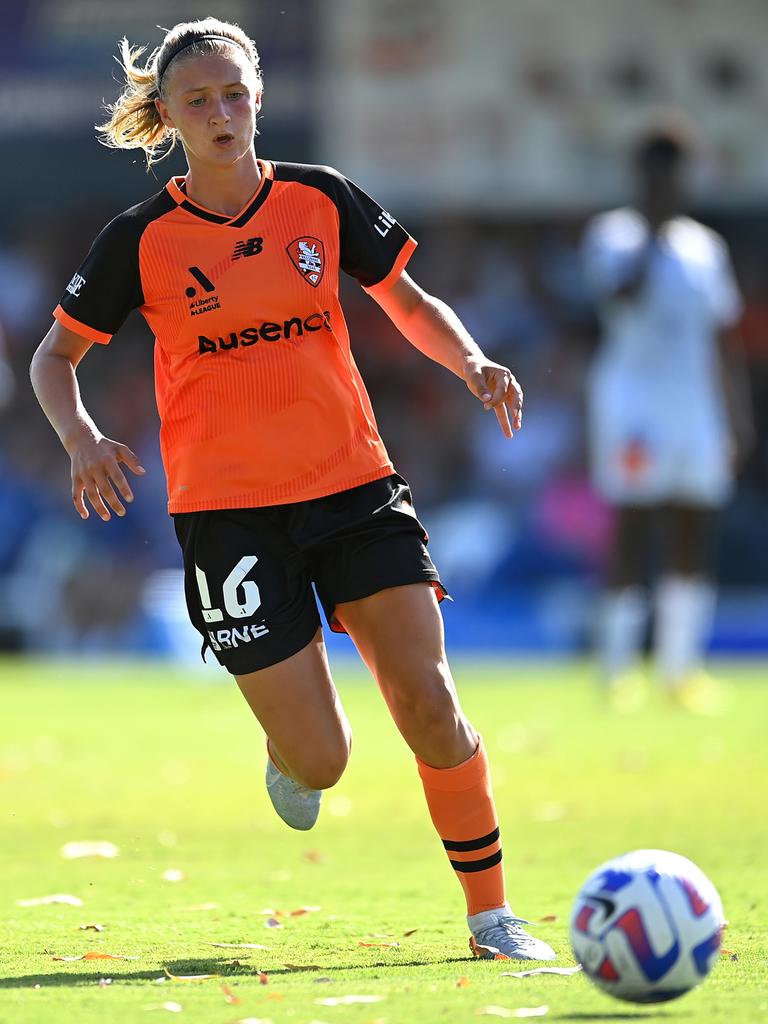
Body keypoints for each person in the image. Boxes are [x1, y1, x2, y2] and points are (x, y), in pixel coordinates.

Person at [30, 18, 555, 961]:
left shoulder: (320, 199)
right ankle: (290, 747)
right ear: (170, 117)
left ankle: (490, 916)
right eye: (199, 101)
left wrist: (471, 360)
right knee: (325, 760)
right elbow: (54, 356)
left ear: (260, 95)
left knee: (430, 703)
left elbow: (406, 299)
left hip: (355, 486)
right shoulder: (140, 239)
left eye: (235, 93)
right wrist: (80, 437)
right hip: (226, 516)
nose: (223, 113)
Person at [581, 119, 750, 712]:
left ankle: (680, 670)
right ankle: (618, 668)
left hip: (696, 409)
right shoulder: (615, 235)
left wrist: (736, 417)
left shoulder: (706, 247)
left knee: (692, 528)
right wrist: (652, 237)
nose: (668, 185)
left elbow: (721, 339)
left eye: (675, 174)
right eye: (657, 174)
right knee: (634, 525)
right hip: (634, 405)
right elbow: (617, 298)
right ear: (641, 176)